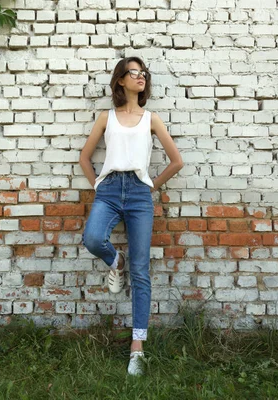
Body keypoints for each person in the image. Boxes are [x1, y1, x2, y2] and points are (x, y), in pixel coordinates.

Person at [79, 56, 183, 376]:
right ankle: (115, 262)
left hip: (139, 193)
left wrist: (150, 186)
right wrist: (99, 184)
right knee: (93, 238)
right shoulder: (105, 118)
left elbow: (176, 161)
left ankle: (137, 349)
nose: (140, 77)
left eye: (143, 73)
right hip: (109, 190)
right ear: (121, 80)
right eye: (133, 72)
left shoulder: (152, 119)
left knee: (141, 272)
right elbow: (85, 158)